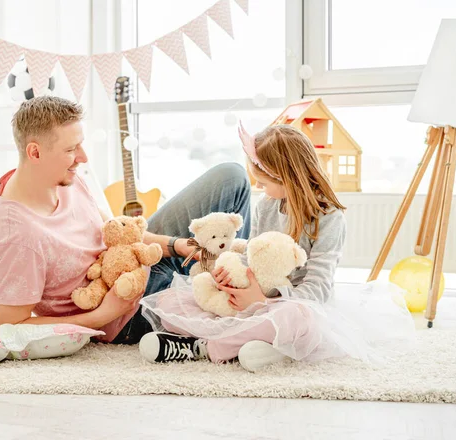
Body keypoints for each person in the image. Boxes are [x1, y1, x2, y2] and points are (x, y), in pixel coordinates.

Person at [138, 123, 416, 371]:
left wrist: (263, 300)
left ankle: (203, 347)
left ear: (288, 179)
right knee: (170, 301)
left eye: (264, 181)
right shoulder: (267, 205)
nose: (258, 186)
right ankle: (255, 344)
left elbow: (317, 288)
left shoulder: (330, 218)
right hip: (251, 302)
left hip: (291, 304)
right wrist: (230, 280)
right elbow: (250, 260)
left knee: (297, 319)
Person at [0, 96, 252, 344]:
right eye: (71, 149)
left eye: (79, 144)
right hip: (126, 313)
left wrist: (175, 245)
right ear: (35, 153)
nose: (83, 157)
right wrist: (101, 316)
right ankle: (246, 292)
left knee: (231, 177)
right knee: (232, 319)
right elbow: (12, 324)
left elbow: (115, 232)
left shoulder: (63, 177)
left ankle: (242, 276)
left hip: (141, 259)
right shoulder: (16, 235)